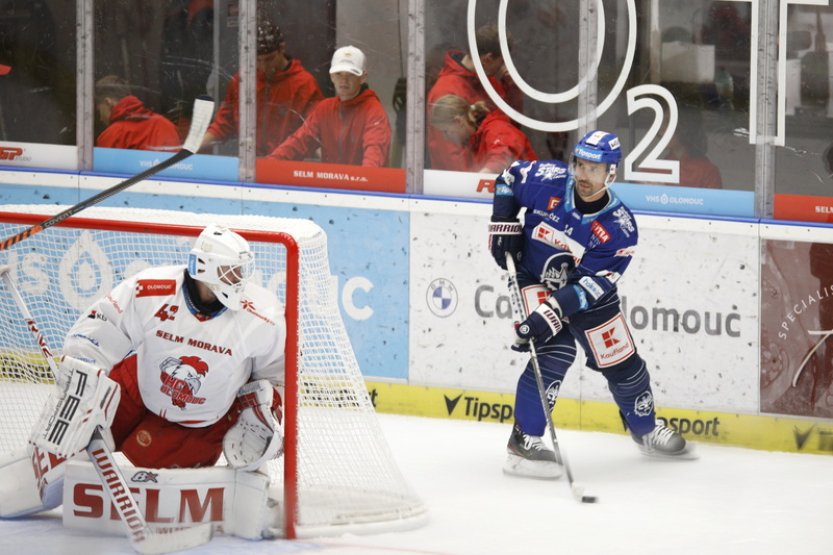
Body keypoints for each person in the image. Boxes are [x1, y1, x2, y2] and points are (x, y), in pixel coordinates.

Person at [22, 224, 285, 513]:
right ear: (203, 268)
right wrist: (84, 369)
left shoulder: (263, 316)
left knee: (165, 501)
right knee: (71, 435)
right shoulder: (150, 289)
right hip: (134, 392)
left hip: (199, 423)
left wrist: (265, 408)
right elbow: (106, 323)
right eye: (230, 271)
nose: (239, 280)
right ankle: (32, 482)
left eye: (241, 271)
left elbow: (276, 372)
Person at [488, 130, 694, 479]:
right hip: (534, 276)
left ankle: (645, 429)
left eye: (594, 169)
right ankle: (523, 442)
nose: (583, 176)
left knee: (623, 363)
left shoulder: (619, 227)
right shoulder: (548, 181)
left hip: (587, 294)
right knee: (556, 351)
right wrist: (504, 224)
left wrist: (543, 317)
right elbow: (507, 179)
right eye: (580, 165)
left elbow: (588, 287)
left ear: (611, 173)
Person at [201, 19, 324, 156]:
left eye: (269, 59)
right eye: (258, 60)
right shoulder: (242, 80)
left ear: (282, 49)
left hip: (287, 165)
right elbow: (223, 124)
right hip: (250, 162)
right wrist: (191, 148)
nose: (264, 66)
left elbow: (315, 133)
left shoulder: (304, 84)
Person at [268, 45, 392, 167]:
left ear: (363, 77)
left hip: (360, 186)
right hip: (331, 186)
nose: (344, 80)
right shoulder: (324, 109)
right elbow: (298, 142)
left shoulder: (374, 112)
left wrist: (362, 180)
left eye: (351, 74)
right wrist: (269, 165)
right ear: (331, 76)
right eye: (338, 74)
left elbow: (374, 156)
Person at [426, 24, 523, 171]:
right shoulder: (445, 90)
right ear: (488, 59)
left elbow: (509, 131)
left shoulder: (491, 83)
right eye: (502, 62)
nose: (503, 68)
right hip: (463, 184)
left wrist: (512, 90)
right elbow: (451, 152)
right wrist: (473, 184)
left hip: (490, 175)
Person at [430, 94, 536, 173]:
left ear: (459, 121)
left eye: (446, 131)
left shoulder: (497, 130)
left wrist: (481, 178)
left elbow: (502, 157)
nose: (445, 137)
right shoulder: (473, 142)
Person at [94, 75, 181, 151]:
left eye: (100, 111)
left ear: (108, 102)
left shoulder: (112, 135)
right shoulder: (165, 125)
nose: (101, 118)